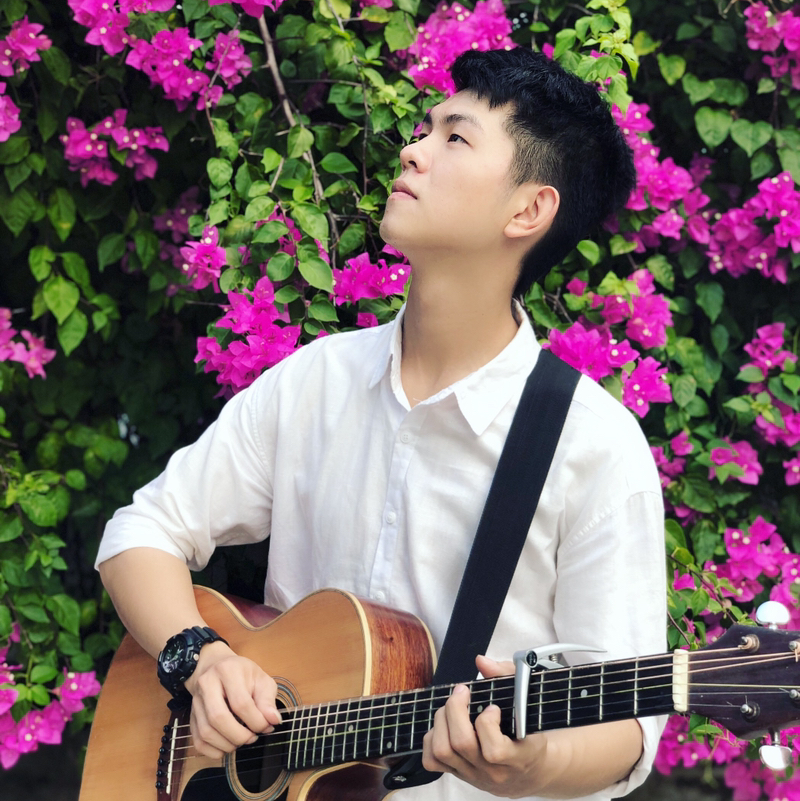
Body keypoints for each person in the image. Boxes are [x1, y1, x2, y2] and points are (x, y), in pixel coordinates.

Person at [96, 47, 667, 800]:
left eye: (455, 138)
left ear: (527, 210)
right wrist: (202, 660)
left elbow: (626, 724)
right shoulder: (318, 379)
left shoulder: (593, 446)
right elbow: (141, 533)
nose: (413, 150)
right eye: (426, 129)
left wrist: (533, 763)